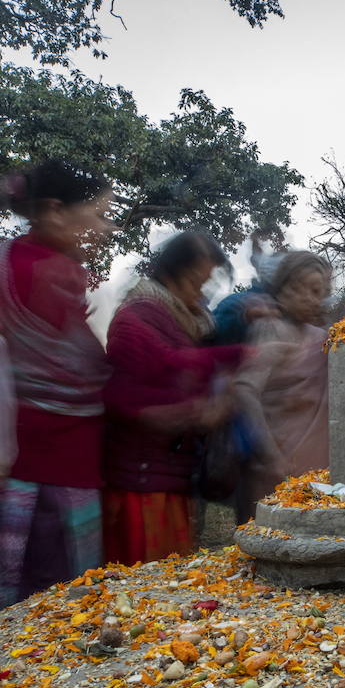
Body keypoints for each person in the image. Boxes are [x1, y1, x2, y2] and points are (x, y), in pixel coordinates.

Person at [0, 160, 114, 632]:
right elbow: (89, 369)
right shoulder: (58, 273)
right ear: (55, 211)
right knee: (50, 621)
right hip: (53, 477)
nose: (105, 226)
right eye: (98, 214)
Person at [102, 231, 244, 563]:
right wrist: (246, 354)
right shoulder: (137, 318)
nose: (202, 292)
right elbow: (161, 371)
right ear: (170, 273)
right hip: (139, 479)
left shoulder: (188, 321)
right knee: (141, 583)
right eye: (197, 280)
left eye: (207, 283)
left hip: (172, 474)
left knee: (169, 578)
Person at [235, 251, 332, 513]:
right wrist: (271, 457)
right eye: (301, 289)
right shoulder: (270, 328)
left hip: (317, 467)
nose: (310, 298)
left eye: (317, 291)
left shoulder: (322, 338)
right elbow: (245, 391)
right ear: (282, 288)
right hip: (276, 466)